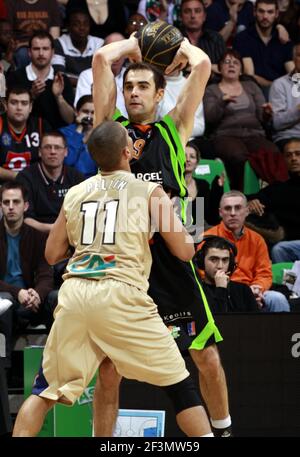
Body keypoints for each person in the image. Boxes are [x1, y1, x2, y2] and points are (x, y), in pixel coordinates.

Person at [12, 120, 213, 438]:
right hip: (121, 293)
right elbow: (185, 251)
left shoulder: (77, 192)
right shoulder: (149, 190)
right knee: (181, 388)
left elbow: (52, 255)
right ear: (126, 152)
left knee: (44, 392)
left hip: (76, 291)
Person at [92, 31, 233, 437]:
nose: (133, 93)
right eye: (129, 87)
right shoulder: (110, 129)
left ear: (159, 95)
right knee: (108, 367)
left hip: (170, 259)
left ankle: (222, 431)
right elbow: (102, 59)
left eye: (142, 87)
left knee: (204, 354)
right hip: (123, 263)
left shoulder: (174, 129)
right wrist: (137, 44)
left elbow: (203, 64)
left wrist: (179, 48)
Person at [203, 48, 282, 190]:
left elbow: (262, 117)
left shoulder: (251, 86)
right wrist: (222, 101)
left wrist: (267, 113)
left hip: (254, 134)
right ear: (220, 68)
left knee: (273, 151)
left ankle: (272, 194)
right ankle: (242, 194)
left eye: (235, 62)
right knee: (238, 156)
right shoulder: (211, 90)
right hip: (226, 135)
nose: (231, 65)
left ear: (240, 70)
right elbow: (209, 118)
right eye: (227, 62)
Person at [204, 190, 290, 312]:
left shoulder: (257, 239)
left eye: (238, 208)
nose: (233, 213)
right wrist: (234, 291)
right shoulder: (207, 237)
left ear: (247, 211)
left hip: (251, 290)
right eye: (228, 208)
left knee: (277, 298)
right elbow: (201, 272)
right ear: (220, 212)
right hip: (219, 289)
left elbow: (264, 274)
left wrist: (257, 289)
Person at [0, 181, 56, 366]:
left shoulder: (37, 237)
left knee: (55, 298)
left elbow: (46, 274)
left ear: (25, 206)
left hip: (31, 303)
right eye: (6, 202)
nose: (10, 207)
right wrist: (18, 293)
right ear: (0, 205)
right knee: (5, 302)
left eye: (15, 202)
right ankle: (3, 368)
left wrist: (36, 294)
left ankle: (58, 364)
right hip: (6, 303)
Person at [16, 131, 85, 234]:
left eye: (57, 147)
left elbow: (83, 214)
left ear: (66, 152)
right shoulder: (25, 177)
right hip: (35, 233)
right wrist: (53, 229)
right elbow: (25, 218)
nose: (53, 152)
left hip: (69, 234)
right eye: (48, 147)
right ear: (39, 152)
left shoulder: (76, 178)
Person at [6, 30, 74, 129]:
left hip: (56, 136)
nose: (41, 53)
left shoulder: (61, 79)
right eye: (36, 49)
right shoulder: (15, 77)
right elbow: (10, 116)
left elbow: (70, 119)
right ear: (29, 52)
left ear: (53, 52)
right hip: (25, 135)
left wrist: (58, 96)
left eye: (45, 49)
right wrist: (31, 95)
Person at [247, 138, 300, 263]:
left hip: (286, 244)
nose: (293, 158)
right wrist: (251, 201)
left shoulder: (202, 187)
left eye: (298, 154)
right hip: (288, 244)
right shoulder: (278, 189)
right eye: (288, 155)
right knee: (278, 249)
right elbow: (245, 198)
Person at [233, 0, 294, 94]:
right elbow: (250, 75)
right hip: (255, 90)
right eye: (261, 11)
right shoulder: (243, 38)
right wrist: (277, 86)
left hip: (283, 92)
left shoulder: (283, 38)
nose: (265, 16)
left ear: (276, 14)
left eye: (270, 12)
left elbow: (292, 72)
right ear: (254, 12)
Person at [0, 86, 51, 183]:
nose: (19, 108)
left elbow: (54, 157)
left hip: (36, 185)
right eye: (14, 103)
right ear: (6, 105)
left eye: (24, 103)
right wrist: (21, 177)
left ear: (30, 107)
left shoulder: (41, 125)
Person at [195, 235, 259, 312]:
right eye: (213, 259)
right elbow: (218, 321)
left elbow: (256, 322)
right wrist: (221, 290)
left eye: (225, 260)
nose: (220, 266)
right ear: (201, 262)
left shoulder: (243, 290)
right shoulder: (196, 291)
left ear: (231, 263)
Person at [52, 8, 104, 88]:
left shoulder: (99, 44)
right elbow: (60, 76)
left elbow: (104, 73)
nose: (82, 28)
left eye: (85, 24)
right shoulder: (59, 44)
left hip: (95, 88)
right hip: (69, 88)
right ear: (68, 27)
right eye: (77, 24)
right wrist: (86, 82)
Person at [184, 141, 223, 231]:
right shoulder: (171, 185)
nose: (188, 159)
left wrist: (217, 188)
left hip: (200, 232)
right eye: (184, 156)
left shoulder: (203, 185)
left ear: (197, 163)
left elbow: (211, 218)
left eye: (192, 157)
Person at [179, 0, 226, 73]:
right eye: (187, 11)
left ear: (204, 16)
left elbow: (223, 69)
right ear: (181, 17)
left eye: (197, 11)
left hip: (212, 83)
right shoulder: (173, 40)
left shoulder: (215, 38)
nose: (193, 16)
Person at [269, 43, 300, 151]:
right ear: (293, 59)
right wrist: (298, 110)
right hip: (289, 137)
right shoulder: (279, 84)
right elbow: (276, 123)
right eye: (299, 55)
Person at [60, 95, 98, 178]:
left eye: (93, 113)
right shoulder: (63, 133)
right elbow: (68, 161)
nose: (89, 117)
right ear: (76, 112)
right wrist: (79, 130)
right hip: (70, 182)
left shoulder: (101, 134)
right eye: (85, 112)